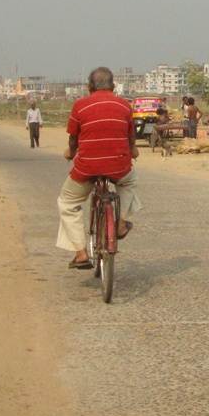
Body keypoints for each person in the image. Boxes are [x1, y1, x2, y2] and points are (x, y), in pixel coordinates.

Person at [56, 67, 141, 270]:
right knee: (128, 182)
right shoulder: (124, 105)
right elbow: (131, 137)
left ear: (89, 87)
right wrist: (134, 150)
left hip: (87, 168)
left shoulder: (80, 106)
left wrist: (70, 152)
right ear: (113, 86)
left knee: (67, 202)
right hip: (119, 165)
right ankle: (120, 224)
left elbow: (73, 138)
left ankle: (81, 253)